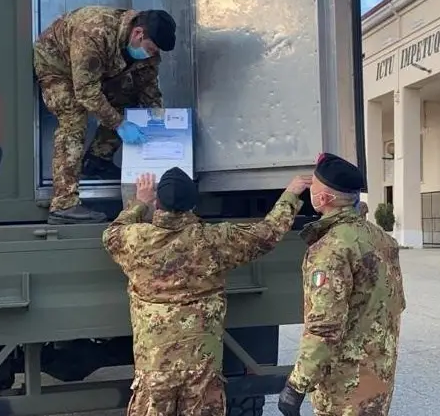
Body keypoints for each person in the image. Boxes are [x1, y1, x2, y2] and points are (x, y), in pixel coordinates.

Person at [103, 168, 311, 416]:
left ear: (158, 203)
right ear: (194, 204)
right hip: (202, 369)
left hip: (154, 368)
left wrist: (139, 203)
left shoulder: (135, 240)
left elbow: (112, 233)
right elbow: (266, 234)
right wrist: (290, 194)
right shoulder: (214, 239)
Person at [278, 153, 406, 416]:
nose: (308, 189)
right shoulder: (380, 238)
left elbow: (324, 327)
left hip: (346, 386)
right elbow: (395, 304)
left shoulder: (330, 249)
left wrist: (296, 385)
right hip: (379, 376)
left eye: (312, 185)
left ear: (323, 199)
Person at [34, 6, 177, 225]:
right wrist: (120, 124)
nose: (152, 54)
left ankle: (97, 160)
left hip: (95, 71)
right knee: (74, 117)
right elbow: (86, 93)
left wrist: (158, 118)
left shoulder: (147, 51)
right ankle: (64, 204)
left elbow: (147, 87)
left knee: (127, 98)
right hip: (57, 65)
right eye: (151, 48)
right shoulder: (94, 32)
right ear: (138, 34)